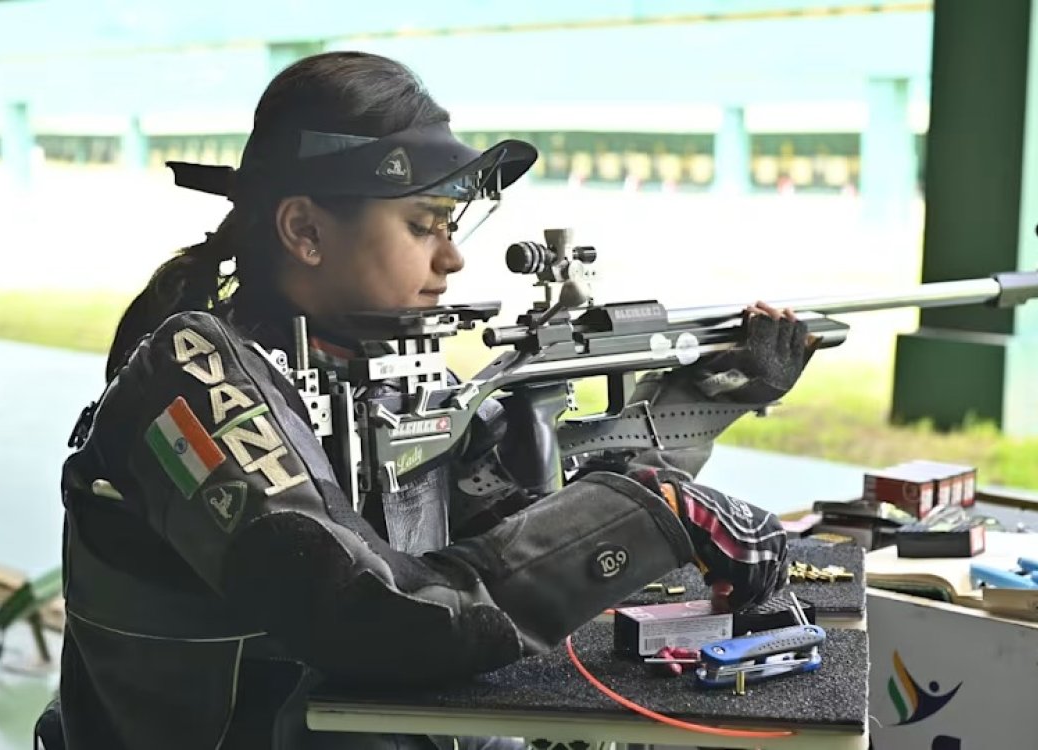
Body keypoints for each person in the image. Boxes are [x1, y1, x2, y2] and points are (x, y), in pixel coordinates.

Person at [39, 51, 814, 750]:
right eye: (422, 225)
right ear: (305, 230)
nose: (453, 256)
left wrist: (701, 402)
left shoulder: (372, 371)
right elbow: (365, 617)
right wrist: (658, 512)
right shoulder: (190, 376)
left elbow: (522, 542)